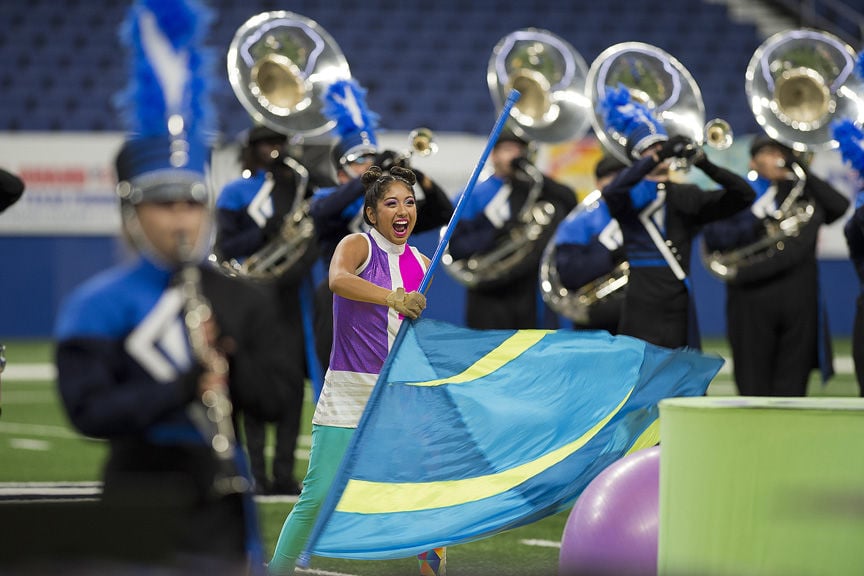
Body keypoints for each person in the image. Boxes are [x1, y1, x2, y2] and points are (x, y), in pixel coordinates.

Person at [54, 0, 295, 571]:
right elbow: (90, 413)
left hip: (222, 497)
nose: (181, 218)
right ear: (133, 211)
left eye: (192, 202)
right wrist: (184, 386)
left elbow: (278, 400)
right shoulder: (97, 305)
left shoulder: (239, 296)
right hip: (136, 489)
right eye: (164, 204)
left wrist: (231, 363)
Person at [269, 165, 445, 576]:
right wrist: (392, 298)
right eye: (391, 203)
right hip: (349, 393)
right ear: (371, 213)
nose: (402, 211)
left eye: (409, 203)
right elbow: (338, 279)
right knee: (318, 497)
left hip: (398, 396)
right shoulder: (356, 245)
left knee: (427, 498)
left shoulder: (423, 263)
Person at [309, 78, 453, 372]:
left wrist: (415, 175)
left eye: (372, 158)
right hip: (339, 296)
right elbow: (324, 212)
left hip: (390, 298)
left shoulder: (391, 210)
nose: (369, 164)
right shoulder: (326, 198)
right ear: (341, 173)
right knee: (338, 374)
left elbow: (442, 212)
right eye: (359, 160)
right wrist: (370, 179)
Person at [599, 87, 755, 350]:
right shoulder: (628, 196)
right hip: (640, 306)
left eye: (663, 146)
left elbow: (744, 195)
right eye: (651, 149)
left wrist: (703, 163)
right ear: (638, 157)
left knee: (682, 372)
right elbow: (612, 191)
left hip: (678, 304)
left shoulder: (686, 195)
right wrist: (656, 158)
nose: (661, 152)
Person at [701, 134, 850, 396]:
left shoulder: (802, 193)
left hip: (797, 301)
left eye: (783, 152)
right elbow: (715, 236)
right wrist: (757, 222)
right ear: (753, 162)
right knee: (753, 384)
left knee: (792, 387)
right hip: (750, 300)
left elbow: (839, 206)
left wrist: (801, 169)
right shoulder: (739, 195)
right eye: (769, 153)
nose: (778, 158)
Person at [215, 125, 314, 496]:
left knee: (292, 389)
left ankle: (284, 474)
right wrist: (264, 233)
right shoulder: (235, 192)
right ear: (252, 148)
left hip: (289, 300)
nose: (275, 150)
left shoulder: (299, 189)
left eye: (280, 143)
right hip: (249, 299)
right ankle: (256, 474)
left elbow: (311, 239)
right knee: (251, 386)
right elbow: (225, 247)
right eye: (267, 144)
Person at [446, 128, 577, 329]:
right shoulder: (473, 193)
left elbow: (569, 200)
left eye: (519, 150)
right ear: (494, 154)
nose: (515, 156)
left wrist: (532, 172)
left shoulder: (532, 189)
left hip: (526, 290)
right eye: (508, 149)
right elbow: (457, 247)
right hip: (486, 291)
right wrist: (497, 233)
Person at [551, 154, 628, 332]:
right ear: (598, 183)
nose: (619, 183)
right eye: (611, 177)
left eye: (624, 176)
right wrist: (613, 254)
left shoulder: (645, 211)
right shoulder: (578, 222)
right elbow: (570, 274)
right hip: (600, 315)